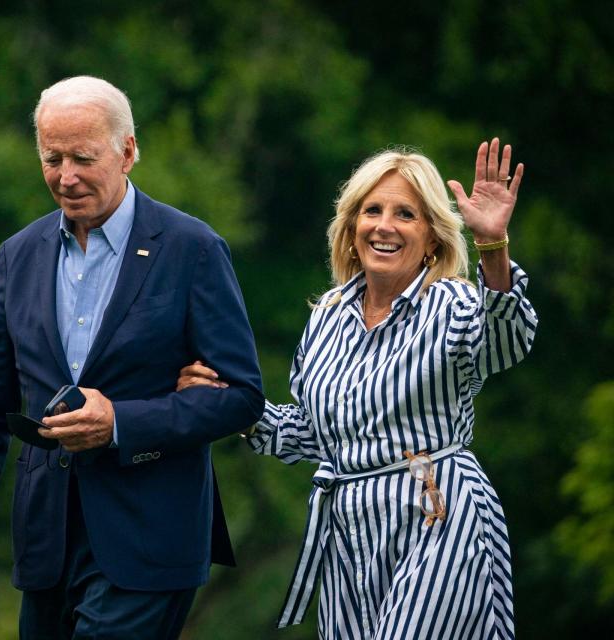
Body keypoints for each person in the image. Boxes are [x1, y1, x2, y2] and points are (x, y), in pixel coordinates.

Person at [0, 75, 264, 639]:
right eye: (52, 158)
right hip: (46, 543)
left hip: (150, 536)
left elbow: (241, 398)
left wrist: (120, 423)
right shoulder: (18, 255)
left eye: (83, 158)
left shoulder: (192, 248)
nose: (66, 178)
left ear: (128, 151)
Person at [178, 140, 537, 638]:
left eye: (405, 214)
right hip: (348, 530)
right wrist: (232, 404)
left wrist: (492, 249)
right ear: (352, 229)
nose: (384, 225)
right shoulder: (326, 318)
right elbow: (311, 432)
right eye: (372, 210)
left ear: (431, 237)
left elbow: (506, 341)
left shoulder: (453, 304)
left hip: (435, 513)